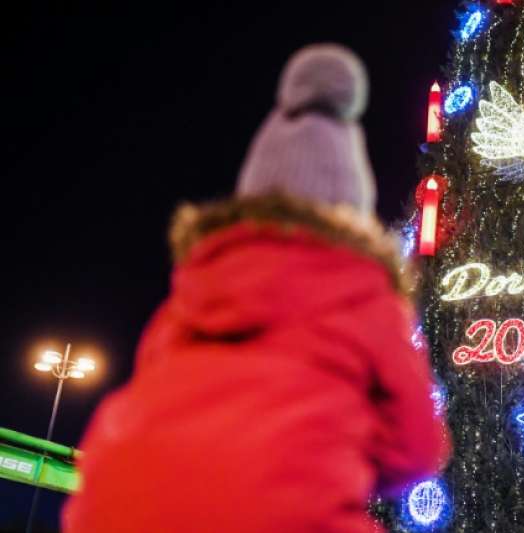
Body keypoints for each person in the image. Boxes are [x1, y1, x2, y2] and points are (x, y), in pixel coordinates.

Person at [63, 44, 450, 533]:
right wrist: (334, 440)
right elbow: (416, 451)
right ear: (352, 213)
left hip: (110, 504)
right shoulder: (367, 296)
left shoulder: (190, 293)